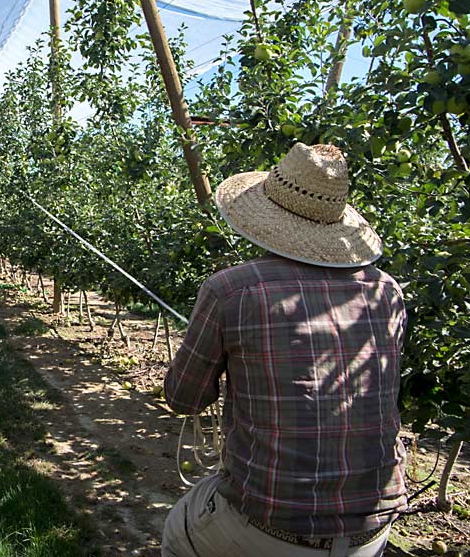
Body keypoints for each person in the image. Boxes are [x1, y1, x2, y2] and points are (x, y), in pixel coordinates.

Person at [163, 143, 407, 557]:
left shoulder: (233, 288)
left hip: (269, 523)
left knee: (177, 535)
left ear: (265, 215)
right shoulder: (386, 290)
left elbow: (183, 397)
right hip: (371, 528)